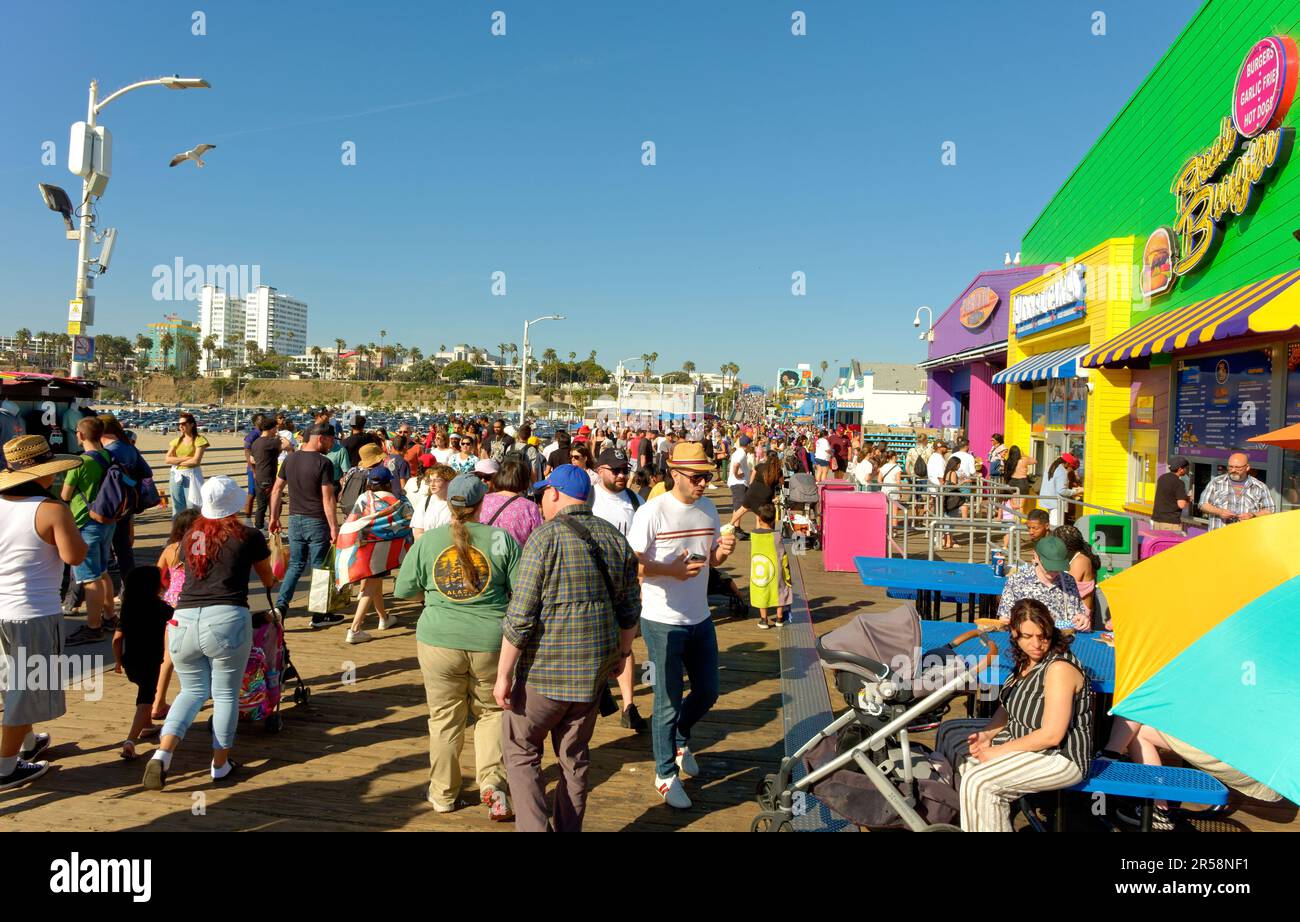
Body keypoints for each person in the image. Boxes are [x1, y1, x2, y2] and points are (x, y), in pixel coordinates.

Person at [495, 464, 642, 831]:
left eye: (544, 492)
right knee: (574, 758)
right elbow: (630, 608)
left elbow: (520, 617)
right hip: (591, 676)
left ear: (555, 493)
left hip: (544, 676)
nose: (542, 499)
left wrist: (503, 675)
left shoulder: (544, 539)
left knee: (520, 750)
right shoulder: (613, 537)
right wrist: (622, 656)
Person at [394, 473, 521, 820]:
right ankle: (493, 787)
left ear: (450, 504)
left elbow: (403, 591)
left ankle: (443, 794)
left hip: (438, 640)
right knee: (492, 712)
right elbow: (522, 592)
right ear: (483, 503)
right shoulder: (501, 540)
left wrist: (435, 599)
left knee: (445, 719)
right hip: (491, 642)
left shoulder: (429, 541)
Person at [143, 476, 276, 790]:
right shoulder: (248, 535)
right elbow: (268, 578)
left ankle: (163, 754)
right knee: (226, 694)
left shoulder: (189, 534)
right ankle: (220, 764)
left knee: (190, 692)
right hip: (226, 618)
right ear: (233, 504)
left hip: (183, 619)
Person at [628, 441, 737, 809]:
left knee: (708, 691)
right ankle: (664, 774)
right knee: (666, 701)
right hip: (661, 620)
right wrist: (669, 570)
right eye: (697, 477)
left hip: (700, 616)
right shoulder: (652, 511)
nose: (704, 483)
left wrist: (723, 551)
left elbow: (711, 558)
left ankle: (680, 739)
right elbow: (634, 563)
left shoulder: (707, 509)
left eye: (707, 476)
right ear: (675, 474)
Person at [953, 599, 1093, 832]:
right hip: (1026, 739)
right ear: (1015, 634)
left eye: (1043, 636)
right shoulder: (1026, 660)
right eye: (1028, 636)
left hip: (1060, 757)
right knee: (954, 739)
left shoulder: (1059, 668)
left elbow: (1051, 736)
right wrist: (988, 734)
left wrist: (997, 751)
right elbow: (1009, 707)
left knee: (980, 782)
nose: (1037, 643)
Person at [0, 435, 87, 790]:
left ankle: (27, 743)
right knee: (29, 688)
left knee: (11, 684)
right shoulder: (51, 510)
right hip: (33, 612)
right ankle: (5, 768)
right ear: (45, 473)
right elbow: (74, 556)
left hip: (1, 608)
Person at [1100, 718, 1282, 831]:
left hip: (1238, 758)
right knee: (1137, 716)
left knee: (1136, 719)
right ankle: (1110, 757)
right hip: (1264, 759)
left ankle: (1156, 807)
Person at [588, 447, 646, 732]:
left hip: (627, 584)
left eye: (625, 469)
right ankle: (597, 695)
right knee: (593, 642)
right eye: (616, 470)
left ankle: (629, 706)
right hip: (593, 584)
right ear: (600, 471)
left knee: (626, 643)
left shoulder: (637, 501)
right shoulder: (589, 498)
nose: (623, 475)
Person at [269, 424, 343, 627]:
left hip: (294, 519)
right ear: (321, 438)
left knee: (295, 564)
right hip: (317, 520)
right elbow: (327, 499)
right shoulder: (323, 463)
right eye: (330, 440)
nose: (331, 445)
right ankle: (319, 616)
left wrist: (274, 517)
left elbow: (276, 490)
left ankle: (280, 607)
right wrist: (334, 527)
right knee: (319, 567)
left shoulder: (290, 459)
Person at [61, 417, 120, 647]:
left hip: (85, 524)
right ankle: (109, 616)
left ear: (81, 435)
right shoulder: (108, 456)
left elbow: (65, 495)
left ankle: (93, 626)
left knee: (89, 578)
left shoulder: (80, 463)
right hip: (107, 521)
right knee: (102, 571)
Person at [337, 466, 413, 644]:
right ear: (388, 483)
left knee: (373, 581)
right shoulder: (397, 500)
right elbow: (408, 519)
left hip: (363, 546)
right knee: (371, 583)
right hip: (382, 548)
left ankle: (383, 618)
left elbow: (354, 520)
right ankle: (355, 629)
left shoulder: (364, 497)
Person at [111, 566, 171, 760]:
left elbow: (117, 639)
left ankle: (147, 726)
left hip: (131, 661)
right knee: (146, 700)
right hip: (150, 660)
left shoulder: (128, 608)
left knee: (143, 691)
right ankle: (130, 740)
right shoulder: (161, 608)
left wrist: (118, 661)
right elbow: (179, 619)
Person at [153, 508, 199, 719]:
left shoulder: (170, 549)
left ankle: (158, 701)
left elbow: (158, 575)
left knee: (167, 657)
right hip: (194, 601)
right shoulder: (199, 548)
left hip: (171, 604)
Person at [996, 535, 1089, 631]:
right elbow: (1005, 620)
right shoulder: (1016, 581)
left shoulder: (1068, 580)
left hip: (1061, 640)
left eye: (1058, 567)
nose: (1054, 571)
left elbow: (1078, 616)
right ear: (1036, 556)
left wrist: (1082, 620)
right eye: (1049, 566)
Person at [100, 414, 151, 581]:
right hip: (127, 502)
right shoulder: (129, 447)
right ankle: (127, 586)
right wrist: (130, 483)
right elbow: (147, 472)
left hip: (110, 502)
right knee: (123, 547)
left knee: (103, 546)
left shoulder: (110, 451)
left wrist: (124, 479)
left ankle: (107, 586)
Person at [479, 456, 544, 547]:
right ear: (524, 480)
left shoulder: (483, 500)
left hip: (484, 557)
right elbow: (539, 541)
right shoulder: (530, 507)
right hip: (516, 559)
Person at [1199, 451, 1273, 530]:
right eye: (1230, 467)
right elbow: (1203, 504)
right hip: (1219, 536)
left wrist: (1252, 515)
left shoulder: (1259, 486)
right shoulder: (1216, 482)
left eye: (1238, 467)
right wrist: (1219, 511)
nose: (1233, 470)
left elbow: (1269, 510)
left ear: (1247, 467)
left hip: (1247, 536)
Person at [750, 503, 792, 629]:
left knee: (762, 591)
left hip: (760, 568)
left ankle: (764, 620)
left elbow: (758, 529)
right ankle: (779, 618)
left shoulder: (753, 535)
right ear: (774, 520)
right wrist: (788, 575)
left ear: (759, 519)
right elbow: (783, 556)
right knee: (780, 591)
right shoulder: (776, 536)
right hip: (776, 570)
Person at [164, 413, 209, 517]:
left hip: (191, 476)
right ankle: (178, 530)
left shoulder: (200, 440)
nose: (181, 426)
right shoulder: (176, 441)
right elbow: (167, 459)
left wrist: (176, 461)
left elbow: (196, 461)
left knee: (192, 506)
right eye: (179, 424)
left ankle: (193, 531)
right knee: (177, 506)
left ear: (192, 424)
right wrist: (187, 458)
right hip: (176, 475)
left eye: (184, 423)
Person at [1053, 524, 1100, 621]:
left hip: (1079, 615)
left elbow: (1065, 589)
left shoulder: (1080, 560)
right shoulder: (1071, 558)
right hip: (1071, 610)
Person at [730, 457, 781, 532]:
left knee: (742, 509)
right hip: (765, 495)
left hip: (752, 491)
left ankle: (730, 525)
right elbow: (782, 482)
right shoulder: (778, 471)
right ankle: (758, 533)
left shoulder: (760, 466)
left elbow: (752, 477)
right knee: (759, 515)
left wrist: (750, 486)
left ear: (767, 458)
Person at [248, 416, 280, 530]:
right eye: (275, 428)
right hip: (268, 478)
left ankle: (260, 528)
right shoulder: (271, 442)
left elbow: (252, 460)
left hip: (259, 476)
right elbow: (288, 445)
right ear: (271, 429)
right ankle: (269, 529)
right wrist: (279, 437)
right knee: (275, 505)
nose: (276, 431)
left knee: (261, 505)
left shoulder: (256, 442)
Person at [410, 463, 455, 538]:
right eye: (430, 480)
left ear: (449, 482)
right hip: (428, 547)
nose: (432, 484)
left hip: (448, 548)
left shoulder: (456, 504)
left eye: (437, 480)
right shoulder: (425, 502)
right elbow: (417, 534)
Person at [1039, 453, 1081, 528]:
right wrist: (1076, 491)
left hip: (1047, 499)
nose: (1072, 470)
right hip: (1056, 503)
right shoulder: (1062, 472)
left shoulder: (1051, 466)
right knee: (1056, 527)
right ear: (1067, 464)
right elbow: (1061, 490)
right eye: (1072, 467)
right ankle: (1053, 539)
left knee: (1050, 524)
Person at [1150, 456, 1191, 532]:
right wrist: (1188, 499)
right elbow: (1181, 505)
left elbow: (1169, 495)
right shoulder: (1179, 483)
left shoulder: (1162, 478)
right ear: (1180, 469)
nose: (1187, 470)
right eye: (1186, 468)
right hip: (1170, 522)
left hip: (1157, 520)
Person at [727, 435, 754, 536]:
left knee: (738, 506)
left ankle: (736, 528)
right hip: (738, 483)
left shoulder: (739, 452)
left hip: (739, 483)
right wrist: (737, 474)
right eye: (750, 443)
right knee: (742, 506)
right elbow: (736, 465)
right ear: (747, 445)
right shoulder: (741, 453)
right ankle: (732, 526)